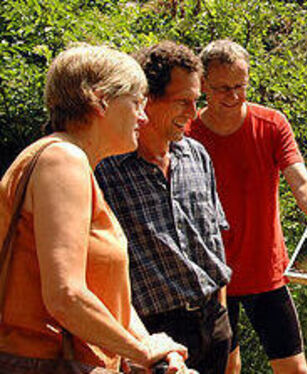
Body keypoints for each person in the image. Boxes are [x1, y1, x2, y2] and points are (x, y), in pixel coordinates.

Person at [0, 44, 190, 372]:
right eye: (136, 104)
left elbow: (102, 294)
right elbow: (67, 296)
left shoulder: (72, 163)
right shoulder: (62, 160)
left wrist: (150, 348)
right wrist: (141, 352)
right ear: (100, 100)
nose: (142, 117)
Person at [186, 39, 307, 374]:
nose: (233, 96)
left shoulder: (272, 124)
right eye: (222, 88)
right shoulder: (187, 133)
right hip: (212, 276)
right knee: (227, 367)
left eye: (240, 86)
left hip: (265, 271)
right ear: (203, 85)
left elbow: (301, 183)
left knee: (294, 367)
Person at [95, 41, 233, 374]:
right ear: (148, 100)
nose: (192, 112)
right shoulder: (106, 168)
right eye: (182, 101)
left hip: (214, 322)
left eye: (196, 101)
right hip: (154, 334)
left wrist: (222, 318)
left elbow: (214, 239)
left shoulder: (197, 155)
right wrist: (129, 346)